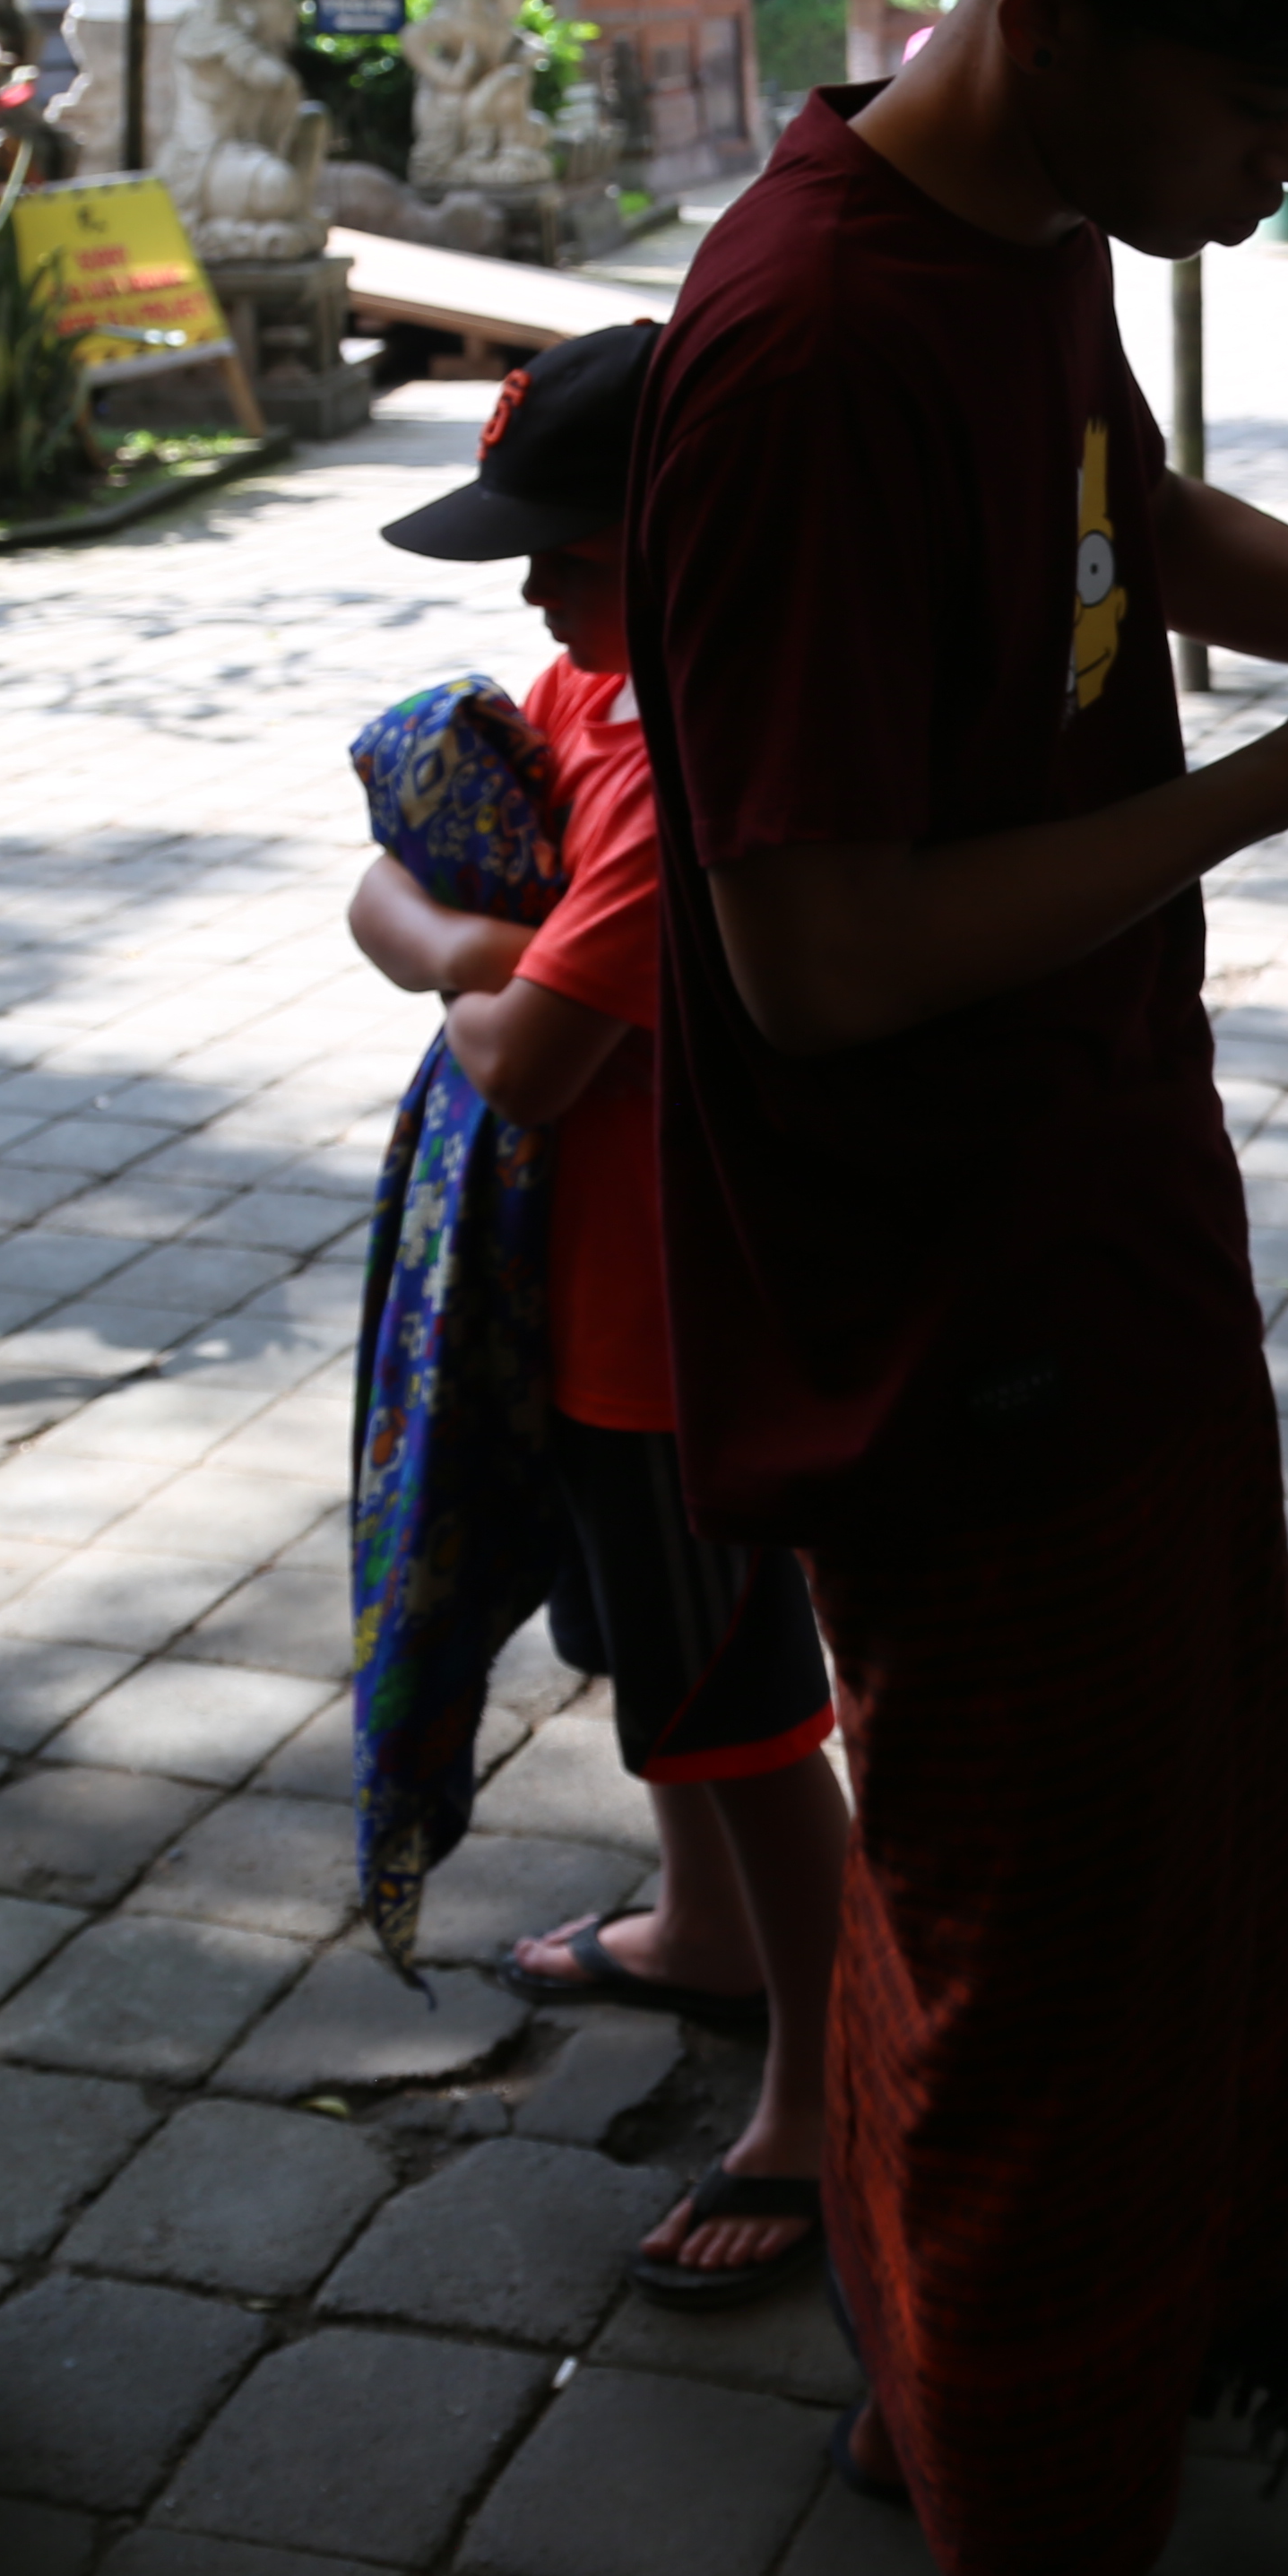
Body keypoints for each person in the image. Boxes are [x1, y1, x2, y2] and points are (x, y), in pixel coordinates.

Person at [618, 0, 1288, 2576]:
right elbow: (816, 943)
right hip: (940, 1343)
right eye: (1267, 84)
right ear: (1052, 11)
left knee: (1139, 1894)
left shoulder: (1011, 258)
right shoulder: (806, 348)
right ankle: (1033, 2515)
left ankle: (995, 2389)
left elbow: (1136, 530)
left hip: (1089, 1249)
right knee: (1042, 1971)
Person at [344, 320, 850, 2307]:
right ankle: (704, 1928)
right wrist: (478, 948)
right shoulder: (594, 691)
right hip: (585, 1302)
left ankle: (818, 2077)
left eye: (569, 550)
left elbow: (535, 1060)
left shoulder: (696, 758)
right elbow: (384, 903)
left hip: (680, 1319)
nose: (537, 596)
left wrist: (480, 977)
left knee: (741, 1710)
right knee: (649, 1660)